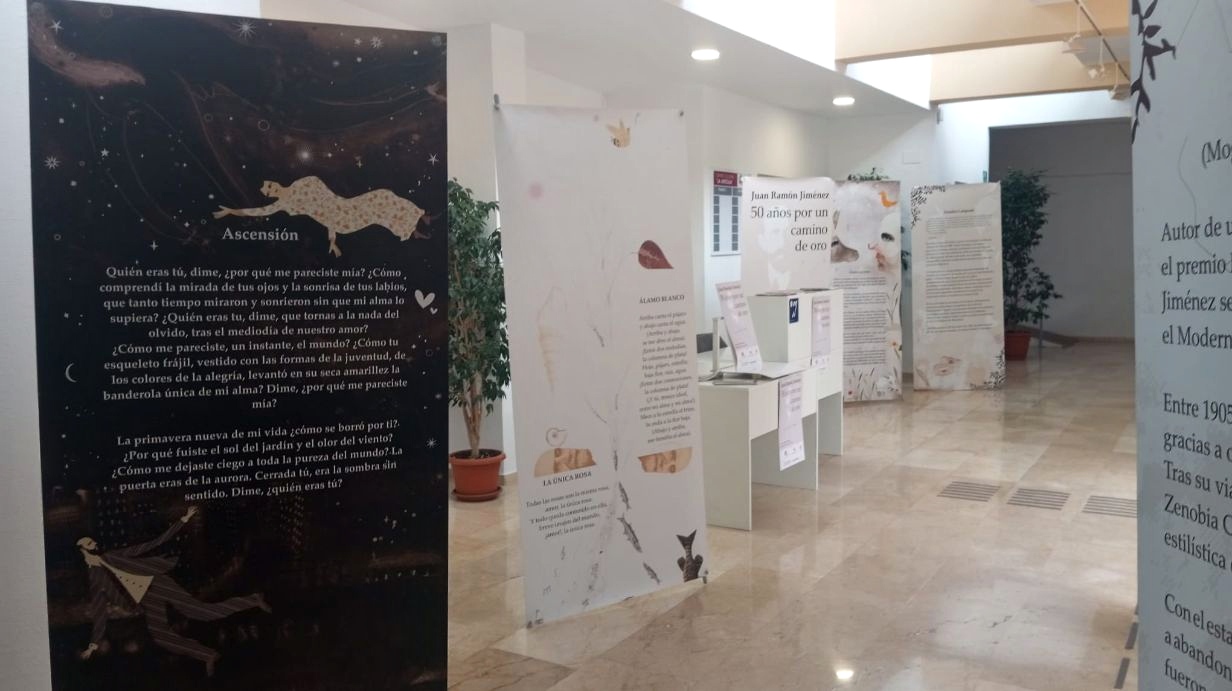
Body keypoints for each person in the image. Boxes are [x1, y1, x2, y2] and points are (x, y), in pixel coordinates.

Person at [76, 506, 270, 677]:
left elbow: (153, 544)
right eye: (90, 545)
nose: (95, 546)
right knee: (162, 636)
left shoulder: (114, 557)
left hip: (156, 584)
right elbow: (103, 608)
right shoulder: (95, 575)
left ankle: (253, 600)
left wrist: (183, 521)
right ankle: (208, 655)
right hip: (147, 598)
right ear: (83, 551)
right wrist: (93, 645)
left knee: (199, 611)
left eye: (94, 544)